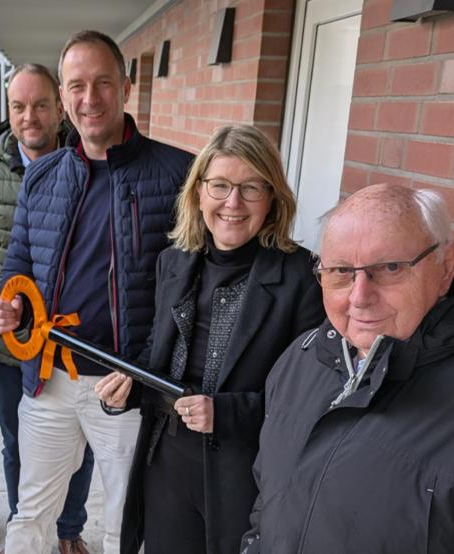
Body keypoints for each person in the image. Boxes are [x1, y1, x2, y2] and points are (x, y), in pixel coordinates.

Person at [244, 183, 454, 553]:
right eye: (340, 271)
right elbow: (267, 502)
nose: (359, 297)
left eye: (389, 268)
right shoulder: (302, 358)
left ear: (446, 266)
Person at [0, 30, 195, 553]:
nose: (89, 98)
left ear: (125, 85)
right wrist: (8, 305)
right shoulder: (44, 176)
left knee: (129, 519)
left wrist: (144, 367)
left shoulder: (177, 174)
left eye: (102, 83)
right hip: (49, 377)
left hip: (126, 387)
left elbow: (189, 292)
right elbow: (20, 264)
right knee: (31, 513)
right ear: (63, 99)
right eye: (76, 86)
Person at [96, 124, 325, 553]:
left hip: (245, 474)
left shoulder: (301, 278)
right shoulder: (173, 263)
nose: (232, 203)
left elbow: (309, 396)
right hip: (166, 464)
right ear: (198, 192)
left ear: (272, 197)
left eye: (251, 188)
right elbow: (156, 355)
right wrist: (127, 390)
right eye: (219, 186)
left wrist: (227, 413)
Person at [0, 64, 95, 553]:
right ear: (6, 112)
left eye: (39, 105)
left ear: (59, 108)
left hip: (76, 346)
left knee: (80, 447)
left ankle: (69, 527)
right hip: (13, 348)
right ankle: (25, 527)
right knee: (18, 446)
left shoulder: (90, 166)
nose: (29, 117)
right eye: (18, 106)